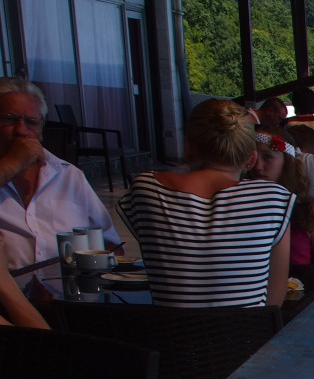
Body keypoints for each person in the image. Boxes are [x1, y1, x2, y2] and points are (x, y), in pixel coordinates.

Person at [118, 99, 294, 307]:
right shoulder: (274, 198)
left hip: (168, 336)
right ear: (251, 159)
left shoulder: (146, 188)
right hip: (249, 337)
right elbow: (275, 297)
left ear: (187, 147)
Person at [0, 77, 121, 287]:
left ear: (41, 128)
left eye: (31, 122)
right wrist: (12, 164)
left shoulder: (68, 176)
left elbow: (111, 244)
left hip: (70, 301)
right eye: (9, 120)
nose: (21, 130)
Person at [251, 133, 314, 268]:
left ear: (287, 163)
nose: (257, 166)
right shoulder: (237, 207)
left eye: (267, 157)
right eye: (252, 157)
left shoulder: (312, 215)